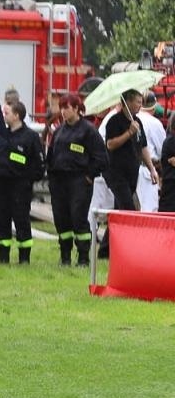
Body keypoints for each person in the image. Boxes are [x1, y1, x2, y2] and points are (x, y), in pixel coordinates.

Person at [45, 93, 109, 266]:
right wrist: (50, 175)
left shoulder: (88, 131)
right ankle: (65, 256)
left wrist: (89, 176)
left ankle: (83, 257)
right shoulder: (59, 130)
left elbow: (101, 158)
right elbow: (51, 154)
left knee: (78, 218)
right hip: (59, 181)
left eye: (66, 107)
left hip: (79, 180)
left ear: (76, 108)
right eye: (61, 107)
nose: (63, 111)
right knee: (61, 218)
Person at [101, 90, 159, 258]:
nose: (141, 105)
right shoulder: (114, 121)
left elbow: (143, 147)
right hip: (115, 173)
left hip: (131, 173)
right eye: (137, 101)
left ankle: (105, 250)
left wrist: (152, 169)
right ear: (126, 102)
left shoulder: (137, 121)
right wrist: (128, 133)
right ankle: (128, 250)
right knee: (128, 209)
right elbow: (110, 144)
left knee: (119, 210)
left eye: (141, 101)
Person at [0, 100, 46, 264]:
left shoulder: (31, 137)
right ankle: (3, 257)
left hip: (20, 187)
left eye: (7, 113)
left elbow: (39, 164)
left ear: (17, 115)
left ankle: (24, 258)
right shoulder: (1, 135)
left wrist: (26, 179)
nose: (4, 116)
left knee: (21, 220)